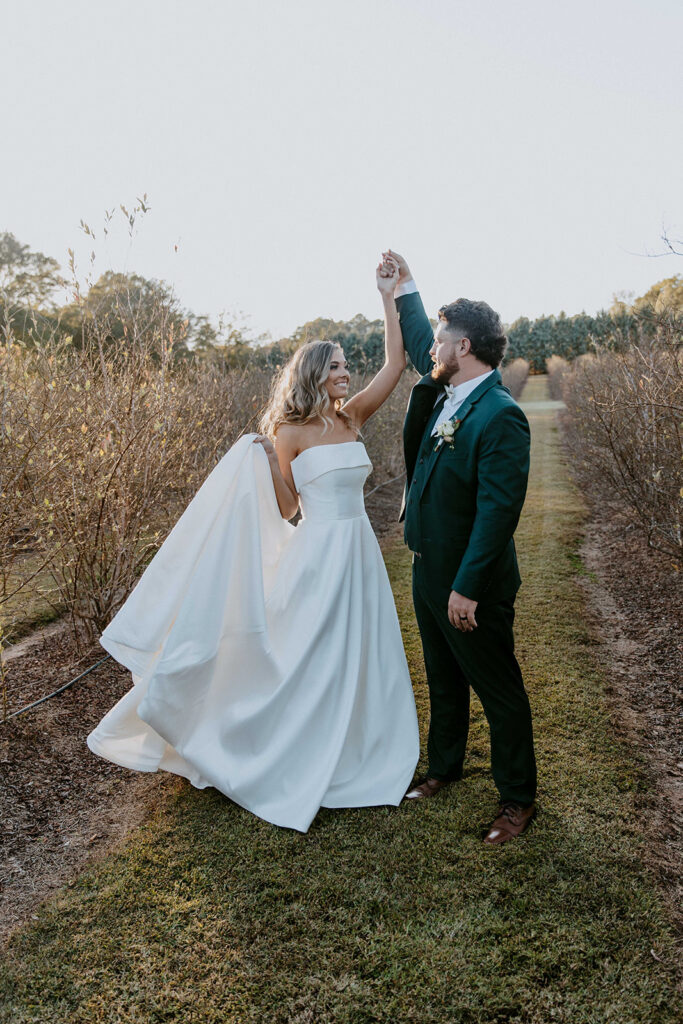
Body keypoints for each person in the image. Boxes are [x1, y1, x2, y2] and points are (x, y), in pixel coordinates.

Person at [87, 257, 419, 833]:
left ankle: (359, 747)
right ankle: (276, 749)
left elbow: (396, 362)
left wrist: (388, 296)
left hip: (359, 555)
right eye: (337, 366)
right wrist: (253, 473)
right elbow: (287, 508)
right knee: (306, 661)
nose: (346, 372)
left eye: (346, 366)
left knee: (362, 652)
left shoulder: (354, 418)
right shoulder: (285, 435)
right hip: (317, 558)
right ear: (314, 373)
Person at [381, 249, 537, 845]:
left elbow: (500, 513)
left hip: (472, 581)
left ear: (463, 347)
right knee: (442, 677)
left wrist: (466, 587)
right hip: (427, 568)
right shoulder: (450, 391)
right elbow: (421, 333)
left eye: (442, 340)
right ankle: (444, 767)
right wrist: (403, 287)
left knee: (498, 688)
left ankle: (518, 798)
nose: (433, 348)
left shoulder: (500, 415)